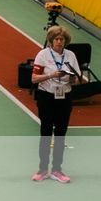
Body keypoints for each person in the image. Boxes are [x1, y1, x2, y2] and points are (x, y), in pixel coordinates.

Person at [31, 24, 81, 182]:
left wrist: (71, 77)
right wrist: (52, 74)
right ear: (51, 41)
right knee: (46, 132)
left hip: (64, 97)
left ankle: (57, 170)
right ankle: (42, 169)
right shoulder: (43, 55)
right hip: (46, 97)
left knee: (61, 133)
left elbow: (77, 79)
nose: (59, 42)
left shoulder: (70, 55)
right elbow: (34, 78)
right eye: (56, 39)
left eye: (62, 39)